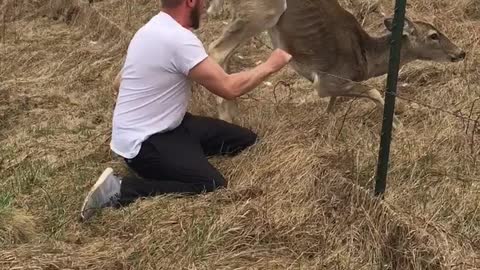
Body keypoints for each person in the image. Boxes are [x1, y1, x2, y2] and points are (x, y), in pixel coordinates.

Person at [79, 0, 292, 221]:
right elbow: (229, 88)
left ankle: (184, 157)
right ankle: (121, 189)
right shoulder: (178, 40)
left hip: (170, 125)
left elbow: (120, 83)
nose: (206, 7)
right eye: (203, 1)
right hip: (144, 145)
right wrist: (271, 64)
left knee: (246, 140)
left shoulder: (153, 27)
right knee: (210, 185)